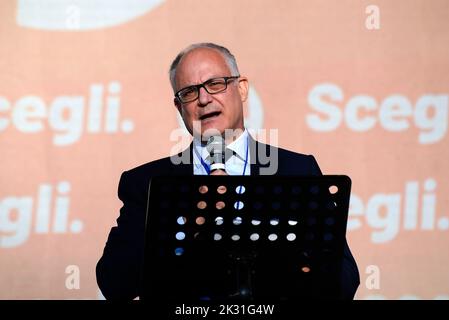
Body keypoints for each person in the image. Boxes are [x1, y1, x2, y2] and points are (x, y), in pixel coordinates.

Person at [96, 43, 360, 300]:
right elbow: (114, 284)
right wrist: (195, 221)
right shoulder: (145, 183)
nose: (203, 98)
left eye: (215, 84)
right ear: (179, 107)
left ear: (242, 88)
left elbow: (345, 282)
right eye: (189, 91)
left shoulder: (298, 170)